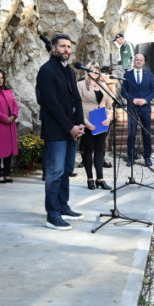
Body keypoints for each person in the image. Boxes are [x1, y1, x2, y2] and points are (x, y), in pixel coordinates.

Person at [35, 34, 86, 230]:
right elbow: (51, 104)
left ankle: (63, 206)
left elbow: (77, 100)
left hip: (71, 130)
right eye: (62, 46)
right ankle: (52, 214)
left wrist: (80, 123)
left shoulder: (71, 72)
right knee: (54, 173)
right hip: (56, 130)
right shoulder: (46, 71)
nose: (66, 50)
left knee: (66, 170)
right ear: (54, 49)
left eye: (69, 47)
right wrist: (70, 126)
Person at [78, 62, 114, 190]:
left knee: (100, 150)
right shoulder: (81, 85)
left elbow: (109, 106)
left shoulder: (103, 85)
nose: (95, 72)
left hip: (101, 122)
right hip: (88, 122)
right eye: (92, 70)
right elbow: (77, 108)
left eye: (97, 70)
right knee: (88, 151)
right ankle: (90, 179)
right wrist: (87, 123)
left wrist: (109, 118)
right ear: (87, 71)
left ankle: (100, 179)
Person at [123, 53, 154, 166]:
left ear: (144, 62)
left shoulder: (149, 75)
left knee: (146, 132)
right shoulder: (127, 75)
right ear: (134, 61)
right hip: (132, 108)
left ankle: (147, 156)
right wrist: (133, 99)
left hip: (145, 108)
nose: (138, 61)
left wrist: (145, 100)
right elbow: (123, 91)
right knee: (131, 133)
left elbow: (153, 91)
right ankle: (131, 157)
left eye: (140, 60)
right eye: (136, 59)